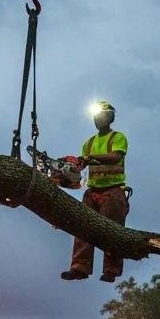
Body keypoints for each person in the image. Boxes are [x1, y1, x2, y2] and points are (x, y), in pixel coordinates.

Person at [60, 101, 130, 284]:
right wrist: (71, 166)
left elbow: (115, 157)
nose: (97, 119)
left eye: (100, 116)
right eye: (95, 116)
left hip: (113, 190)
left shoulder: (118, 138)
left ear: (109, 117)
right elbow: (82, 165)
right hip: (92, 191)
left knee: (113, 230)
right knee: (83, 226)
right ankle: (79, 267)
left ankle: (111, 269)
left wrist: (90, 158)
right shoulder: (88, 143)